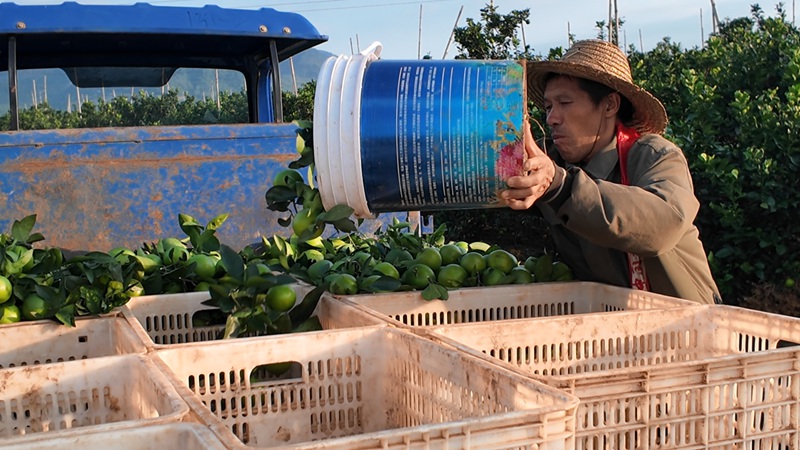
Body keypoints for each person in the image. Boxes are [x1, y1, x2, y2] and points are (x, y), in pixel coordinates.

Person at [501, 39, 721, 304]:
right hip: (611, 331)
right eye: (548, 107)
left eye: (565, 103)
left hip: (689, 332)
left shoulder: (654, 156)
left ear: (609, 105)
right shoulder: (553, 164)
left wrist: (561, 186)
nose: (552, 118)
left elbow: (664, 224)